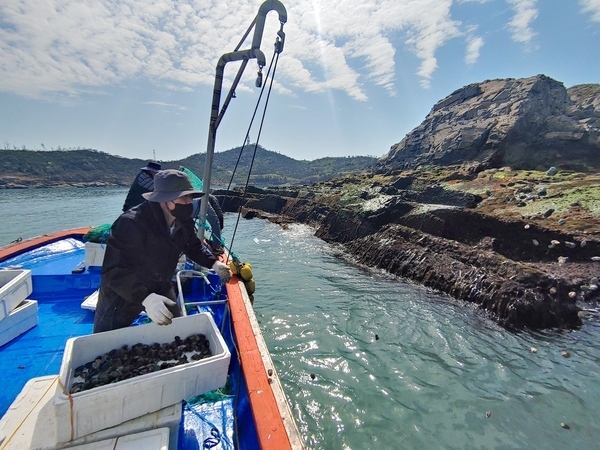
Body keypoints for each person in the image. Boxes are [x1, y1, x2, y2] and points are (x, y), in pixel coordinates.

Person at [94, 169, 232, 333]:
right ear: (164, 199)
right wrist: (146, 298)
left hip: (161, 284)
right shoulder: (131, 223)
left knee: (176, 332)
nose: (189, 202)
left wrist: (214, 263)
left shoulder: (183, 220)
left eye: (190, 196)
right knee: (106, 342)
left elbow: (193, 247)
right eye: (184, 196)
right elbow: (113, 272)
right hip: (123, 295)